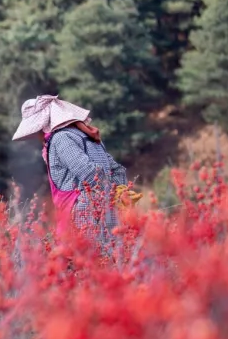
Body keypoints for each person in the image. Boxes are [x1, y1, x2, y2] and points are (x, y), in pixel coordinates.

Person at [11, 95, 138, 249]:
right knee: (110, 258)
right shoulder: (87, 135)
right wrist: (118, 192)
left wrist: (107, 196)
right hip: (107, 208)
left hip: (83, 213)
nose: (36, 136)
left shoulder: (61, 139)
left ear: (44, 125)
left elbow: (90, 174)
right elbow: (117, 170)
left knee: (85, 263)